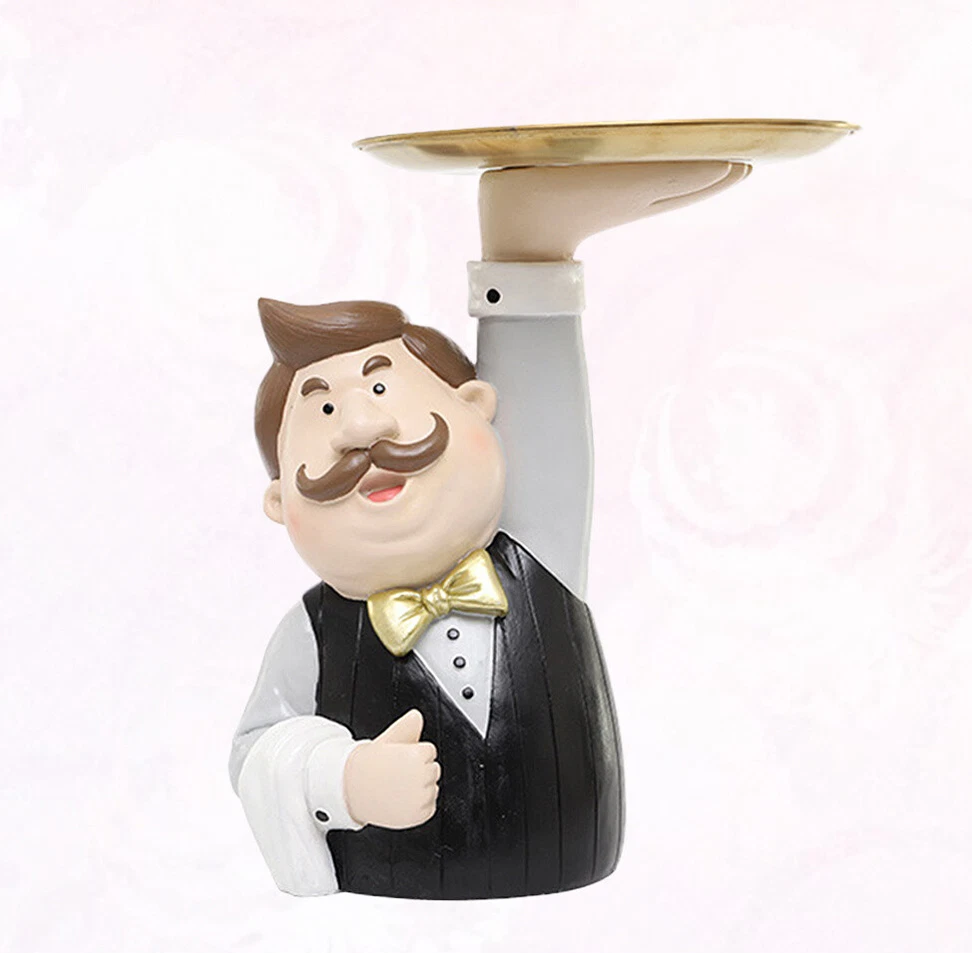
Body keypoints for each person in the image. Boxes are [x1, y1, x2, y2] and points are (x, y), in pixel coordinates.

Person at [230, 160, 751, 897]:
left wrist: (526, 249)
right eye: (323, 410)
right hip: (387, 919)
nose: (362, 427)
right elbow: (255, 750)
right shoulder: (312, 632)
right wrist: (338, 779)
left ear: (477, 408)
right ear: (282, 500)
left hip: (578, 892)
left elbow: (542, 419)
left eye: (380, 384)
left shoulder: (537, 551)